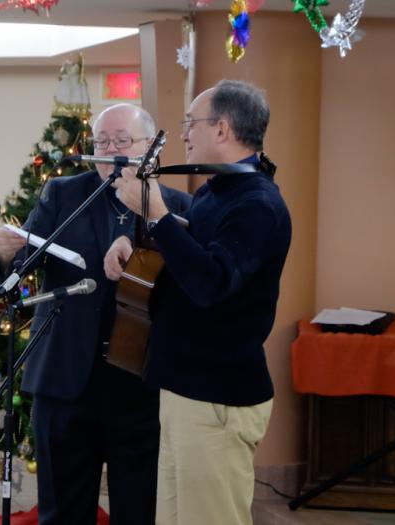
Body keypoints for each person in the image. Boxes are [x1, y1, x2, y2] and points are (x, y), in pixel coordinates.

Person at [0, 103, 191, 524]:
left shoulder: (176, 205)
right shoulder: (63, 194)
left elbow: (189, 286)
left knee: (138, 508)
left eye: (123, 142)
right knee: (63, 510)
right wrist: (6, 254)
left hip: (140, 382)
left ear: (149, 148)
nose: (111, 152)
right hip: (65, 376)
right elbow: (27, 260)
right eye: (103, 142)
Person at [104, 80, 291, 525]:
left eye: (192, 124)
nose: (184, 134)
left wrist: (158, 216)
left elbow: (211, 284)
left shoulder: (258, 204)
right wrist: (143, 249)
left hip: (217, 395)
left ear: (223, 129)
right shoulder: (215, 191)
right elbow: (193, 263)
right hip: (184, 386)